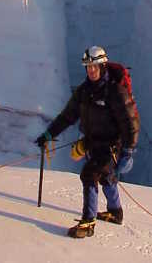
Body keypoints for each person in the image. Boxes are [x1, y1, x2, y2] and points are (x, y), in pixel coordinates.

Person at [35, 45, 140, 238]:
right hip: (92, 144)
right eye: (88, 67)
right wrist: (48, 135)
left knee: (89, 174)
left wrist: (128, 151)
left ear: (103, 66)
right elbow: (67, 116)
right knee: (106, 177)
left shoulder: (115, 92)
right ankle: (116, 212)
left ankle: (87, 223)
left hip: (111, 147)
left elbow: (130, 123)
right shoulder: (84, 92)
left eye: (94, 67)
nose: (91, 71)